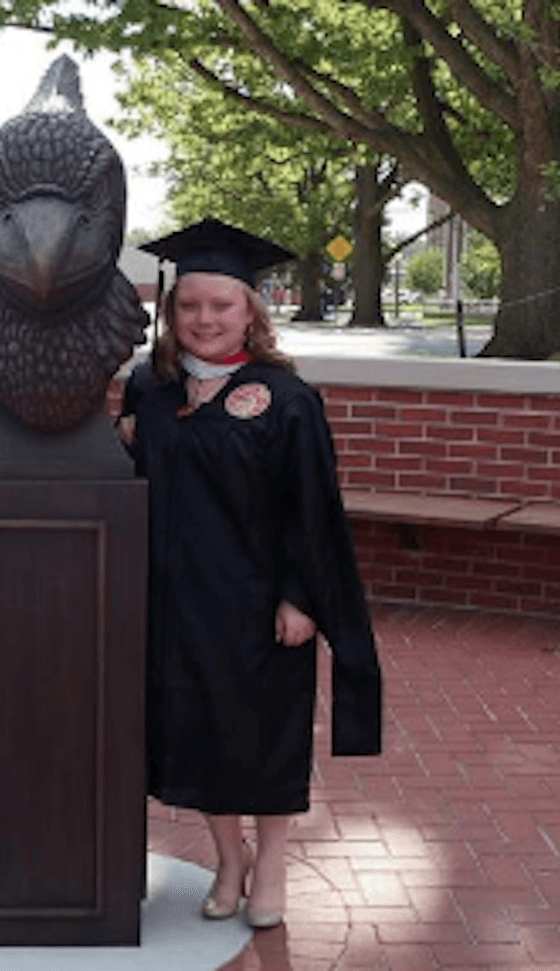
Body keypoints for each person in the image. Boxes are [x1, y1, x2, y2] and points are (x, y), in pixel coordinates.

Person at [119, 219, 382, 930]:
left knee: (261, 736)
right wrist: (122, 442)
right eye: (189, 305)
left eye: (221, 305)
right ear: (171, 311)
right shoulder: (150, 388)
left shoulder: (286, 399)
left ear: (251, 311)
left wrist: (301, 597)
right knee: (199, 733)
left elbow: (312, 508)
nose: (204, 319)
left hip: (259, 606)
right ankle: (227, 859)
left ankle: (270, 866)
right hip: (176, 602)